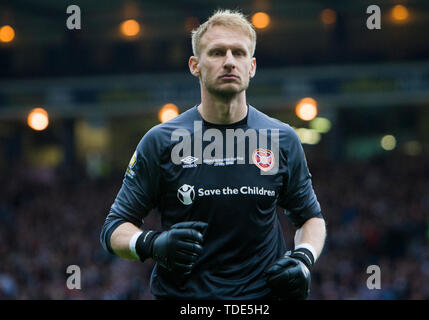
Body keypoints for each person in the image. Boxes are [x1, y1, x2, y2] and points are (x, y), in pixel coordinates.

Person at [100, 9, 326, 300]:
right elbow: (113, 228)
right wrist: (151, 243)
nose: (230, 61)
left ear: (252, 66)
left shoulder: (282, 139)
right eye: (217, 52)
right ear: (195, 65)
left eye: (239, 53)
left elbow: (311, 218)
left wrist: (304, 259)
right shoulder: (160, 141)